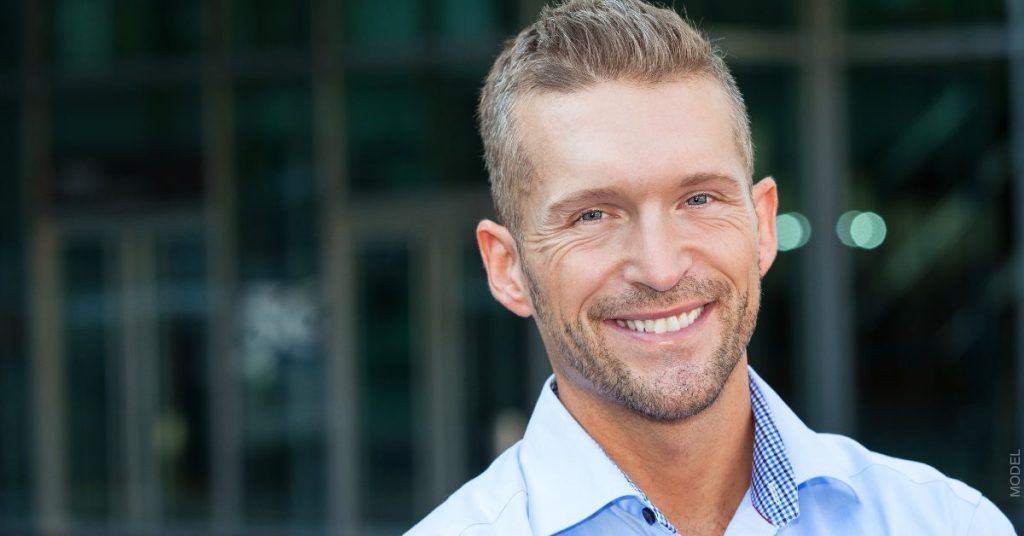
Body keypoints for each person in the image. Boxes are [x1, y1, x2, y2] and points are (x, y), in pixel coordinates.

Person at [408, 0, 1015, 534]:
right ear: (508, 268)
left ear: (764, 227)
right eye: (593, 215)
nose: (661, 267)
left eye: (699, 199)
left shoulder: (948, 523)